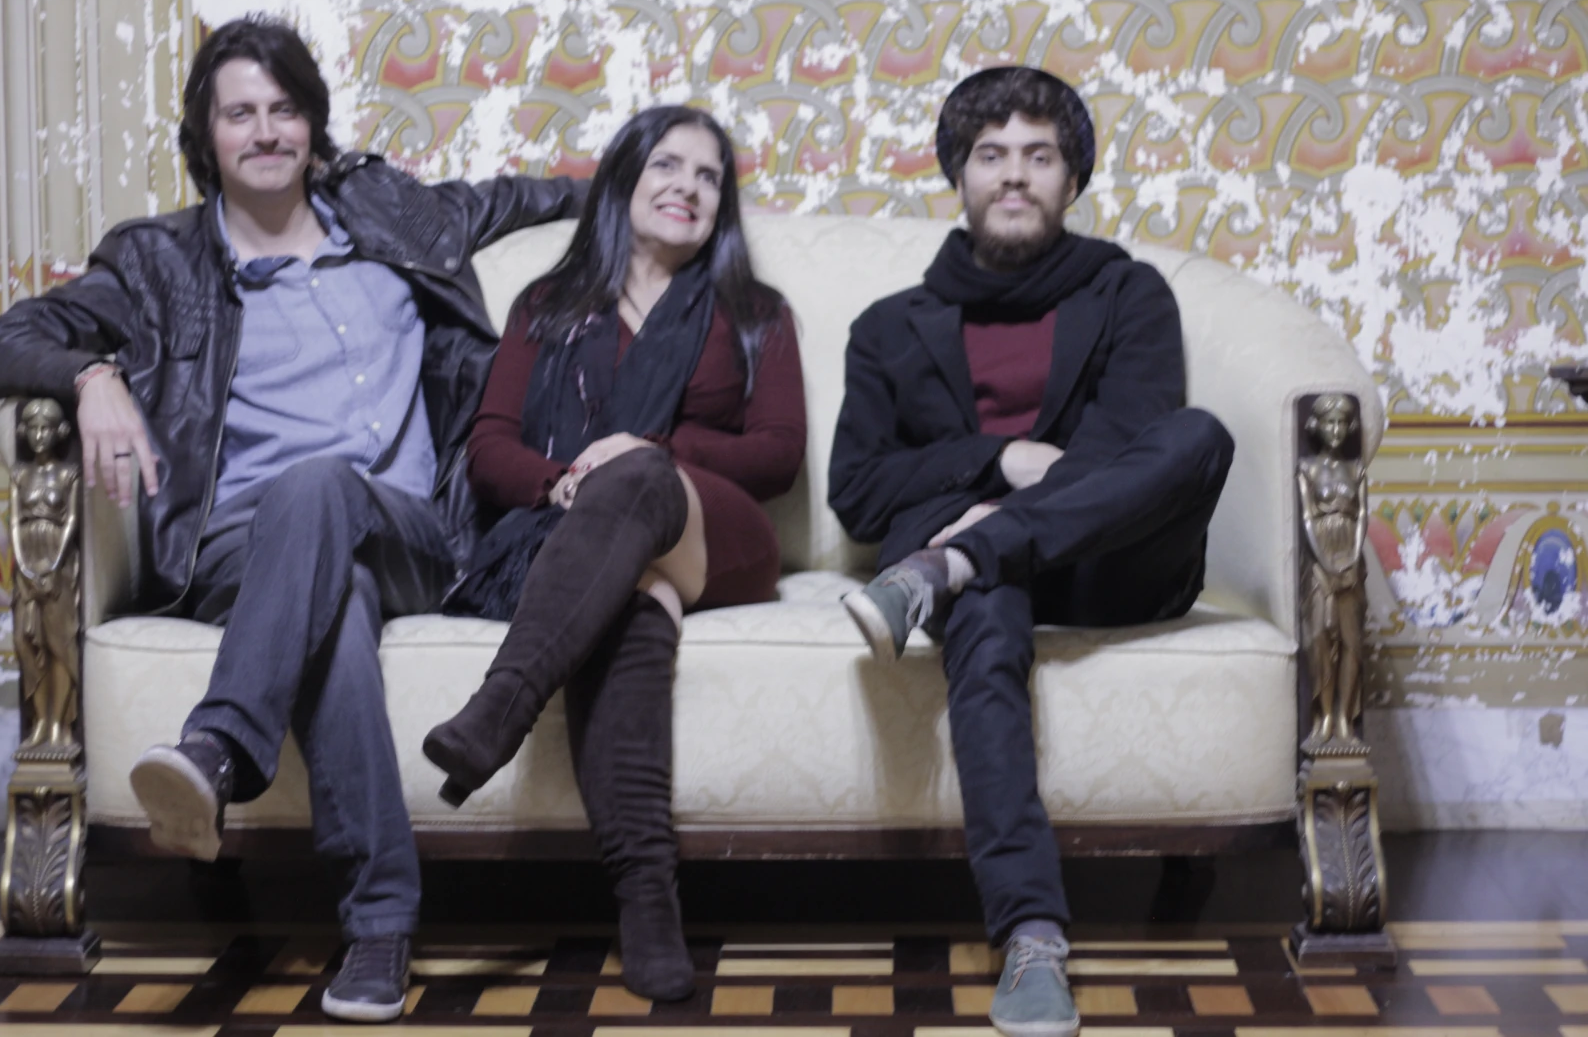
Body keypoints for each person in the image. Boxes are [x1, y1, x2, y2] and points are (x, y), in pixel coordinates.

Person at [0, 15, 586, 1023]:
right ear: (205, 136)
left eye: (285, 109)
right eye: (240, 113)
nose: (265, 131)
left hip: (411, 533)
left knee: (321, 488)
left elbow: (532, 198)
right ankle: (379, 927)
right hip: (238, 551)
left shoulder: (396, 218)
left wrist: (643, 192)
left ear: (312, 125)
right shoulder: (157, 263)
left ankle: (217, 751)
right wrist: (89, 378)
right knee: (331, 596)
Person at [828, 66, 1235, 1037]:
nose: (1014, 174)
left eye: (1039, 156)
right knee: (986, 605)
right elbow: (858, 491)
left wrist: (980, 528)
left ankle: (957, 562)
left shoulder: (1129, 293)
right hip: (973, 575)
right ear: (959, 176)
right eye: (992, 154)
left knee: (1199, 436)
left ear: (1072, 179)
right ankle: (1033, 938)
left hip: (1109, 565)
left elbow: (1135, 446)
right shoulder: (887, 328)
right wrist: (996, 461)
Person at [422, 104, 806, 1002]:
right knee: (631, 597)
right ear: (624, 180)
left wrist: (650, 451)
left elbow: (778, 454)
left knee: (638, 480)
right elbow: (491, 448)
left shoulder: (755, 312)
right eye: (667, 165)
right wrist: (566, 483)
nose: (688, 188)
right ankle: (646, 903)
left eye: (708, 177)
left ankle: (500, 709)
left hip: (718, 533)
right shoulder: (548, 306)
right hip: (584, 536)